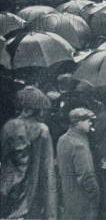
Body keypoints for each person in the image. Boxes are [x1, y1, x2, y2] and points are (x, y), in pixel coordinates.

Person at [0, 86, 58, 219]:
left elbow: (4, 161)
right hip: (31, 199)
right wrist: (52, 214)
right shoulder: (42, 130)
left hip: (8, 194)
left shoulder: (8, 126)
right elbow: (48, 171)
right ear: (35, 109)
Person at [57, 108, 100, 220]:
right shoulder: (79, 145)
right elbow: (86, 176)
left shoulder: (62, 139)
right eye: (88, 121)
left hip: (67, 196)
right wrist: (95, 195)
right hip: (82, 200)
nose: (91, 123)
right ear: (80, 123)